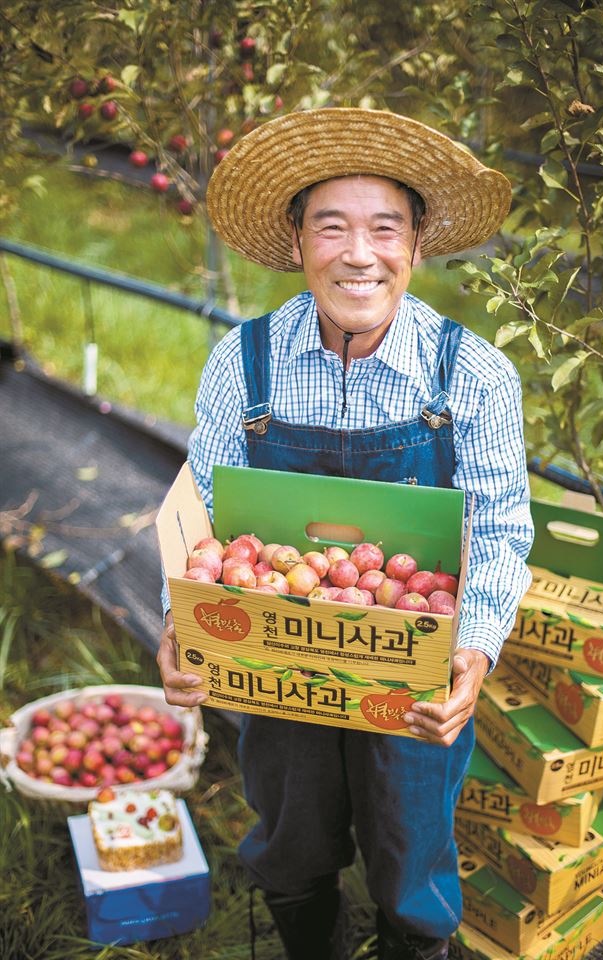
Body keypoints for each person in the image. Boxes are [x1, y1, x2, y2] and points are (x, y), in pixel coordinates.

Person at [157, 108, 534, 960]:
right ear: (296, 241)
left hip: (414, 669)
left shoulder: (469, 375)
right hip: (275, 648)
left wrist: (470, 649)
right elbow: (201, 513)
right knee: (291, 831)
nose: (358, 254)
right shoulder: (243, 362)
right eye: (332, 227)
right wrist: (179, 624)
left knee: (413, 850)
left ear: (417, 243)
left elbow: (502, 528)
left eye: (383, 228)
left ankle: (413, 940)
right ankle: (309, 938)